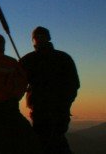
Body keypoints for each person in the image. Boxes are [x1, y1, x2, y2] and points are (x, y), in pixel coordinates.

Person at [20, 26, 80, 154]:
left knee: (44, 141)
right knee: (56, 140)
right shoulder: (64, 58)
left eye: (41, 36)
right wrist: (65, 102)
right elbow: (74, 85)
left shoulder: (28, 60)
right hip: (58, 109)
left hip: (43, 109)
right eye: (37, 36)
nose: (39, 39)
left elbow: (17, 83)